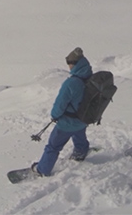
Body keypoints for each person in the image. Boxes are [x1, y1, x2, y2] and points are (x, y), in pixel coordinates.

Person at [30, 47, 92, 176]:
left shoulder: (71, 83)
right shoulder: (90, 78)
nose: (69, 66)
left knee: (53, 146)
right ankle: (80, 153)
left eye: (70, 63)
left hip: (67, 123)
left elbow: (60, 104)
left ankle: (42, 170)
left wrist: (55, 116)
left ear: (75, 64)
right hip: (84, 118)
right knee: (79, 135)